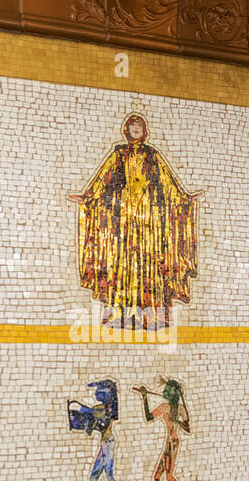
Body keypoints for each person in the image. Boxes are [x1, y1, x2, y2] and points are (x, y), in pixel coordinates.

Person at [71, 114, 200, 330]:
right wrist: (88, 198)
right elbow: (103, 180)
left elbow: (168, 185)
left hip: (149, 223)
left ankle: (153, 316)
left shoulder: (153, 155)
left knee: (149, 266)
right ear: (127, 129)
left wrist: (185, 199)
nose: (136, 128)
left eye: (140, 125)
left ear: (145, 130)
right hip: (123, 223)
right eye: (133, 125)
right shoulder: (118, 154)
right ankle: (118, 314)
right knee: (123, 265)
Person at [69, 380, 133, 481]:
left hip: (108, 445)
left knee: (109, 478)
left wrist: (81, 409)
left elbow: (92, 412)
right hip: (105, 445)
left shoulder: (106, 411)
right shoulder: (102, 408)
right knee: (93, 479)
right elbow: (91, 417)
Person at [134, 377, 191, 481]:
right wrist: (145, 397)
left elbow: (188, 428)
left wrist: (177, 421)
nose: (165, 391)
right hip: (169, 443)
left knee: (169, 477)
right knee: (157, 477)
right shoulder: (165, 407)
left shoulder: (179, 409)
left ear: (173, 393)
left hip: (173, 444)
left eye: (167, 390)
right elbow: (148, 417)